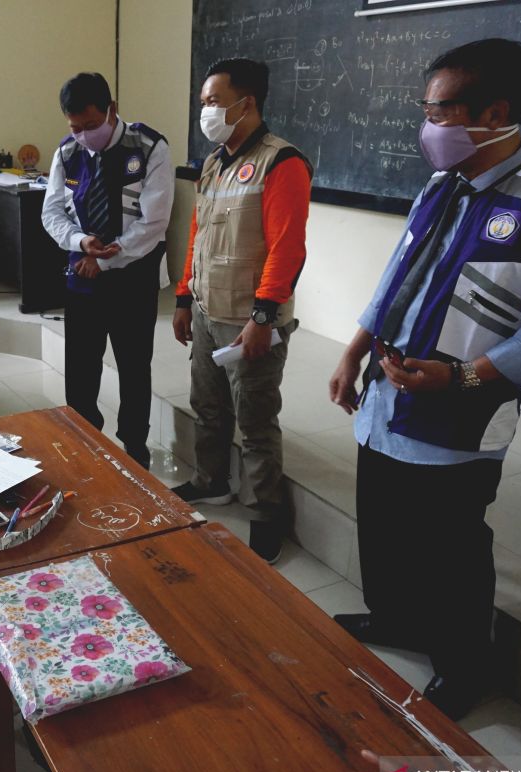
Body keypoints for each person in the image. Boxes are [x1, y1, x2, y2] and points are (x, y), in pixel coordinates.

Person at [327, 39, 521, 720]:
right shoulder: (441, 187)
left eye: (440, 111)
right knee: (385, 527)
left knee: (449, 547)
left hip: (459, 414)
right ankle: (396, 619)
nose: (429, 128)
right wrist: (353, 348)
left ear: (494, 112)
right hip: (390, 397)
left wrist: (461, 377)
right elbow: (398, 278)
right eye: (428, 111)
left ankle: (464, 662)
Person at [170, 58, 312, 565]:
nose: (205, 110)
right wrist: (184, 297)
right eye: (204, 101)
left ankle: (265, 513)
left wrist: (263, 318)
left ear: (245, 102)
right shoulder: (213, 162)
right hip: (209, 309)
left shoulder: (282, 162)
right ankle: (211, 482)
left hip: (249, 318)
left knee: (255, 421)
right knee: (207, 404)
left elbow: (287, 249)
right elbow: (198, 234)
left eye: (212, 101)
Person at [41, 72, 174, 471]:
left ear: (112, 110)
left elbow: (153, 222)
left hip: (132, 276)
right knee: (81, 370)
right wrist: (81, 243)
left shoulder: (150, 147)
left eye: (91, 125)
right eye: (75, 127)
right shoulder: (67, 152)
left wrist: (104, 259)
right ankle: (85, 448)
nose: (83, 135)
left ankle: (135, 452)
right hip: (82, 274)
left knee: (134, 367)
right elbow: (51, 212)